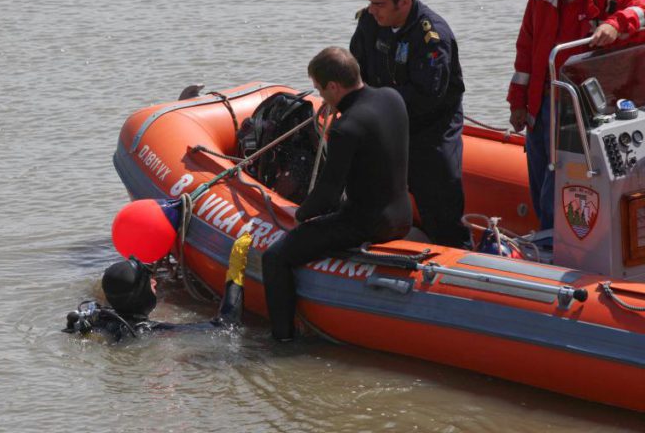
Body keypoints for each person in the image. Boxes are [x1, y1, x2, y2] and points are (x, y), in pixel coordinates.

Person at [262, 47, 412, 342]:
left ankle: (281, 339)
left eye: (319, 89)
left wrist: (300, 214)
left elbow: (328, 197)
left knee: (274, 258)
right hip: (402, 216)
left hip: (368, 224)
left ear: (334, 86)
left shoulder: (346, 127)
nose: (321, 97)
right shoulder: (392, 98)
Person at [507, 0, 645, 230]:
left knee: (555, 190)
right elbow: (526, 48)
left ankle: (556, 245)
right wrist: (517, 102)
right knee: (539, 183)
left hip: (575, 112)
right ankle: (548, 238)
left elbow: (640, 9)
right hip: (540, 105)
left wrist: (615, 23)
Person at [350, 0, 469, 248]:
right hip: (383, 124)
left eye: (379, 4)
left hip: (429, 132)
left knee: (441, 206)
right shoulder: (370, 22)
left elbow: (427, 96)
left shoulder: (432, 36)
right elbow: (356, 69)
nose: (372, 9)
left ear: (403, 3)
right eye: (371, 3)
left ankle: (455, 255)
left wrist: (376, 105)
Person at [63, 233, 251, 342]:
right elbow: (227, 326)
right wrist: (235, 272)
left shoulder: (99, 318)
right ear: (138, 295)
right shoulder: (146, 330)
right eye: (148, 282)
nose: (155, 282)